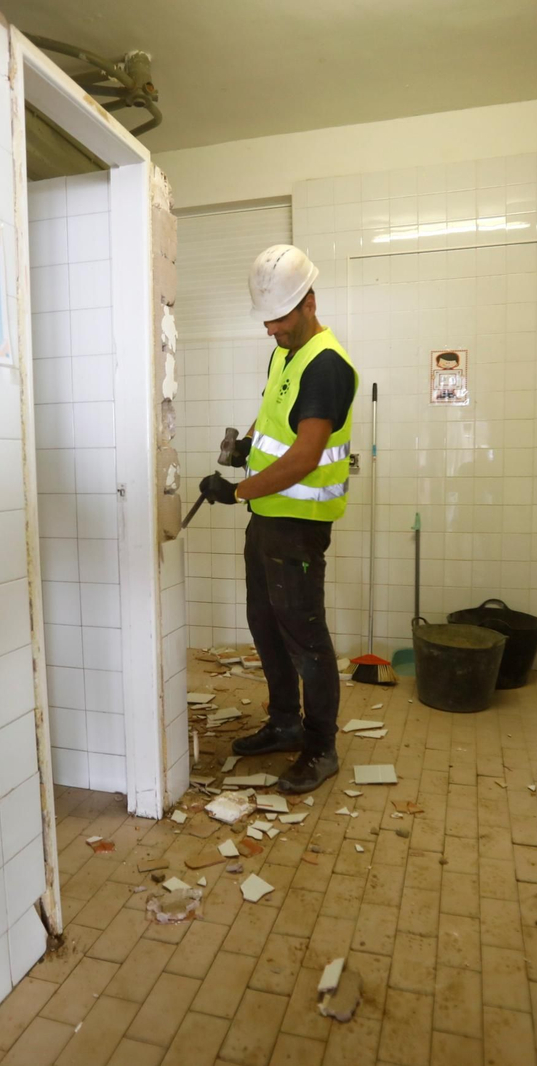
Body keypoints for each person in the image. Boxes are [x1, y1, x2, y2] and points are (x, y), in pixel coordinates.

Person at [196, 245, 357, 792]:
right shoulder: (285, 354)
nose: (272, 329)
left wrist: (236, 489)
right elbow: (273, 417)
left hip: (299, 528)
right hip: (268, 519)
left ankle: (321, 747)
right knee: (265, 625)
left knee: (305, 637)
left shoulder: (328, 366)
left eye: (282, 318)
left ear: (310, 302)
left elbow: (306, 455)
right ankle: (285, 723)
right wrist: (245, 446)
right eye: (267, 320)